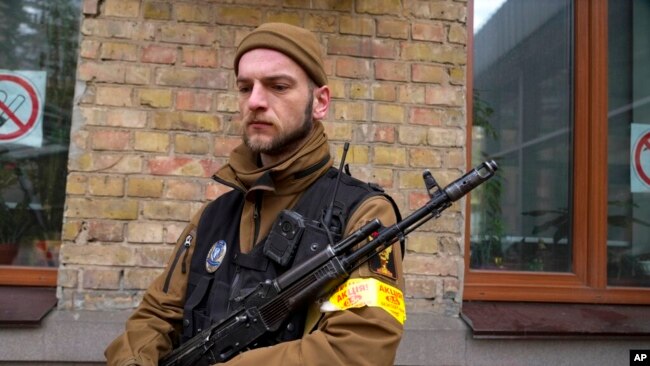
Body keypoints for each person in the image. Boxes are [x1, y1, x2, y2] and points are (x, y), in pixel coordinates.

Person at [105, 22, 405, 366]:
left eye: (278, 86)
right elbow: (155, 317)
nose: (256, 101)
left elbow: (359, 349)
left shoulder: (363, 215)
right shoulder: (213, 218)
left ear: (320, 102)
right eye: (245, 87)